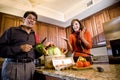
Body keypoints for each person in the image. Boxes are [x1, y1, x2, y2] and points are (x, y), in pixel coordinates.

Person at [0, 11, 41, 80]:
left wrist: (45, 48)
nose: (32, 20)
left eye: (34, 20)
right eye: (30, 18)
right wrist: (19, 48)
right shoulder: (11, 31)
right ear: (23, 19)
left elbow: (34, 55)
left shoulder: (34, 36)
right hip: (13, 66)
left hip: (30, 67)